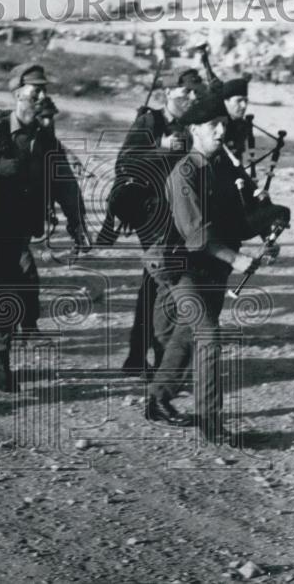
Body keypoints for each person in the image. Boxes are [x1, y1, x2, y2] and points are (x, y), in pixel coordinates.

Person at [145, 93, 279, 444]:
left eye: (223, 124)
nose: (220, 131)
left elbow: (244, 214)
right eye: (212, 125)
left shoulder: (226, 166)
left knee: (187, 335)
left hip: (212, 267)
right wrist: (237, 259)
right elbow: (197, 234)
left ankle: (158, 399)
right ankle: (210, 421)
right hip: (180, 265)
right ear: (193, 129)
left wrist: (271, 223)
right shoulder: (183, 173)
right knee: (207, 334)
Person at [0, 63, 89, 392]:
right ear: (17, 94)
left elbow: (66, 184)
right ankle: (1, 364)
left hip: (19, 227)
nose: (41, 95)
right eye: (35, 90)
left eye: (43, 90)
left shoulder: (45, 139)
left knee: (1, 290)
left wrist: (77, 223)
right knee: (6, 289)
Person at [99, 70, 202, 377]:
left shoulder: (191, 125)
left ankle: (137, 355)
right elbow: (125, 162)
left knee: (154, 282)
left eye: (194, 94)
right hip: (150, 213)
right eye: (184, 94)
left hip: (178, 212)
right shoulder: (150, 121)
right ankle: (158, 360)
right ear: (165, 96)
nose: (190, 99)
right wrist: (163, 148)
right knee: (165, 282)